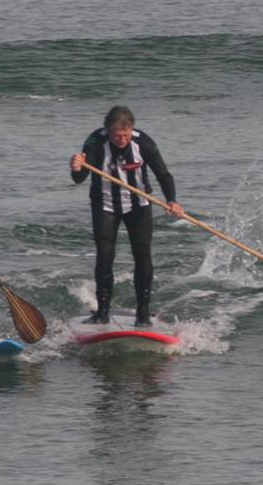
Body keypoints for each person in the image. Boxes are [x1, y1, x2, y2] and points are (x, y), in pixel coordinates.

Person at [70, 106, 185, 326]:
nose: (121, 140)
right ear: (107, 131)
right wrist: (76, 167)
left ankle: (143, 313)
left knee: (142, 255)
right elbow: (79, 178)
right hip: (105, 206)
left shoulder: (143, 143)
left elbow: (163, 174)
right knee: (105, 256)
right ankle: (102, 312)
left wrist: (172, 200)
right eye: (116, 136)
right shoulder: (95, 141)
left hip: (138, 206)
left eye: (125, 135)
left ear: (131, 129)